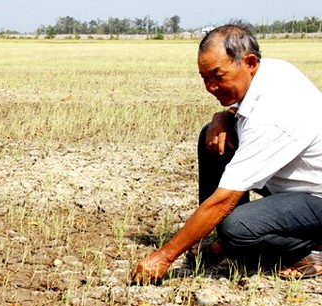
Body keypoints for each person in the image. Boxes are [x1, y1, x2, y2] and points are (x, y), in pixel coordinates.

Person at [131, 24, 322, 284]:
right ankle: (230, 242)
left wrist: (165, 256)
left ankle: (308, 250)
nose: (210, 87)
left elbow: (224, 200)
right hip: (293, 184)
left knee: (236, 229)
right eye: (204, 78)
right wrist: (224, 115)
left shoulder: (272, 117)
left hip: (315, 197)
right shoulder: (273, 70)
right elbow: (246, 106)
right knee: (212, 136)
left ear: (250, 62)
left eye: (218, 76)